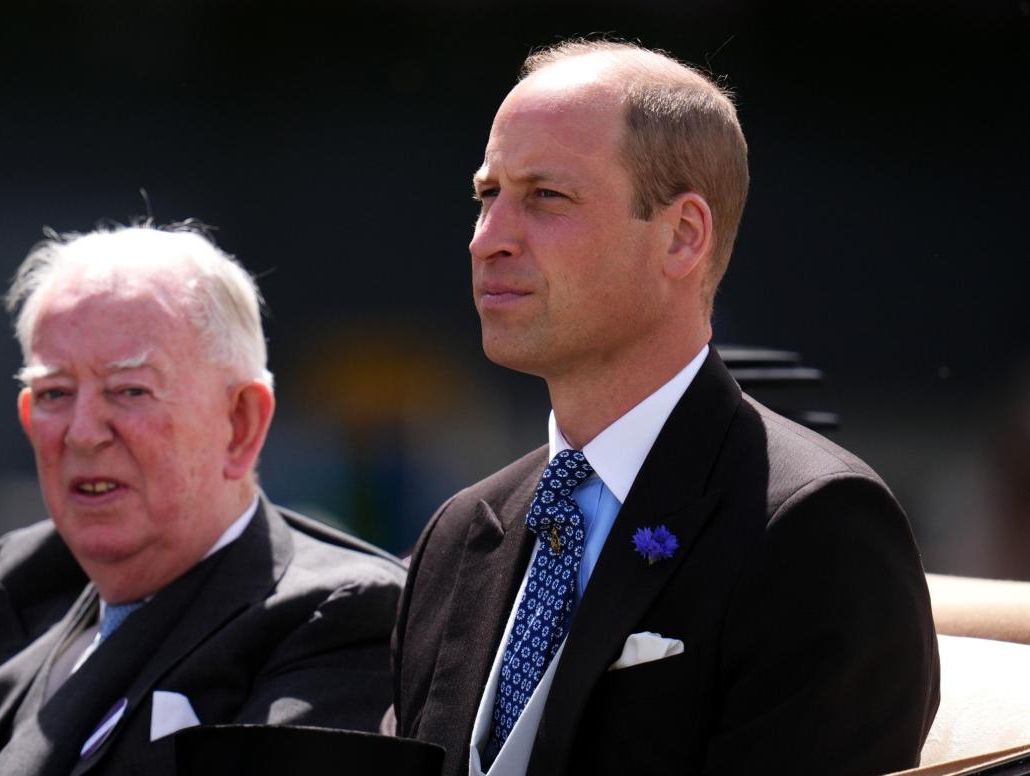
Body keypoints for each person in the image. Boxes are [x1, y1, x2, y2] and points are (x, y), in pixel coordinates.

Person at [392, 40, 939, 775]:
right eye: (487, 195)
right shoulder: (460, 536)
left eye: (546, 197)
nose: (487, 239)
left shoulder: (814, 529)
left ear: (682, 236)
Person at [0, 222, 406, 774]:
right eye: (55, 394)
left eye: (129, 391)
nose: (82, 432)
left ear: (240, 422)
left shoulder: (332, 617)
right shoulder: (35, 582)